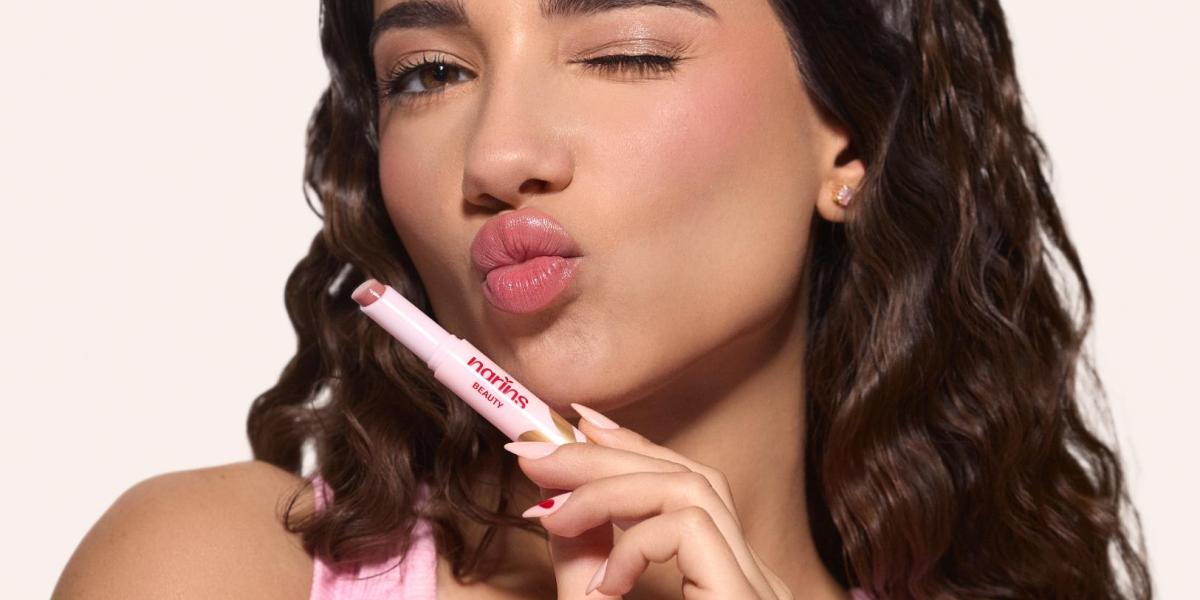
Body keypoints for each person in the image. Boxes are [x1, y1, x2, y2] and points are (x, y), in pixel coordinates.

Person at [52, 0, 1153, 598]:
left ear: (850, 132)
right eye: (429, 73)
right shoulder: (213, 570)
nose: (498, 155)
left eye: (624, 53)